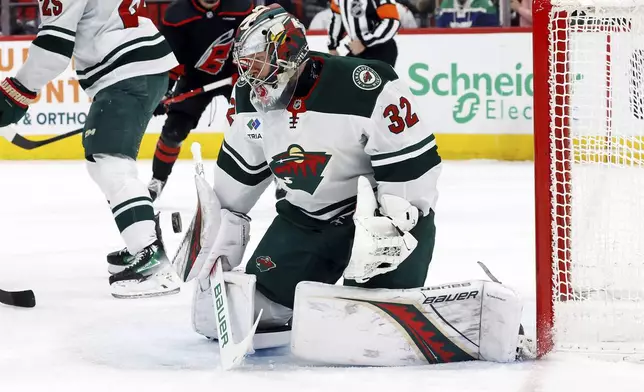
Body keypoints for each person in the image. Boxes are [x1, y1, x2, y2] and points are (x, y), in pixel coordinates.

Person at [0, 0, 181, 298]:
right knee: (101, 163)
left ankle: (151, 259)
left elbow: (53, 48)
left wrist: (17, 91)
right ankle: (141, 235)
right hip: (138, 65)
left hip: (125, 71)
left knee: (110, 163)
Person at [146, 0, 254, 202]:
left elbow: (255, 42)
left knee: (258, 127)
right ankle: (157, 180)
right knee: (173, 132)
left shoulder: (241, 6)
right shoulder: (177, 14)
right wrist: (163, 92)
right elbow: (171, 58)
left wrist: (246, 69)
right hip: (195, 79)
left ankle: (279, 180)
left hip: (237, 76)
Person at [327, 0, 401, 67]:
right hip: (357, 51)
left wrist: (364, 42)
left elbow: (392, 21)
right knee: (344, 77)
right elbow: (337, 19)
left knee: (377, 80)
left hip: (381, 49)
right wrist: (332, 47)